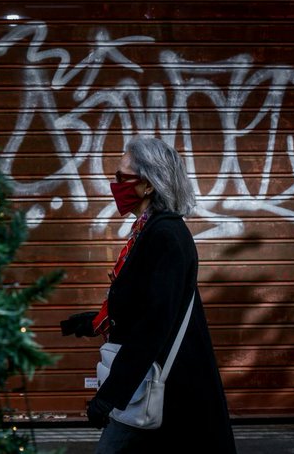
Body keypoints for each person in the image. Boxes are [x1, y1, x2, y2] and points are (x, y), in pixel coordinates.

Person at [63, 137, 236, 453]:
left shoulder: (165, 236)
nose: (115, 184)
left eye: (122, 177)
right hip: (156, 391)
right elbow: (143, 304)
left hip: (165, 391)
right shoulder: (149, 230)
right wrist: (93, 322)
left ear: (149, 185)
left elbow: (153, 325)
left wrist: (110, 396)